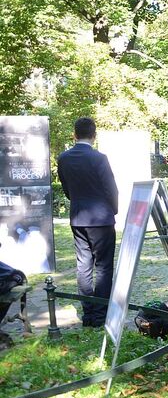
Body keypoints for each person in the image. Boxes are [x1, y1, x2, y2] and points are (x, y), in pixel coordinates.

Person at [56, 117, 118, 327]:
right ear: (94, 135)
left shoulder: (63, 158)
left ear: (74, 134)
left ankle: (88, 314)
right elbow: (111, 189)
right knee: (103, 267)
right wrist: (113, 210)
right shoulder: (99, 158)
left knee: (83, 266)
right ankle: (100, 316)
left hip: (78, 217)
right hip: (101, 219)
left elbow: (66, 188)